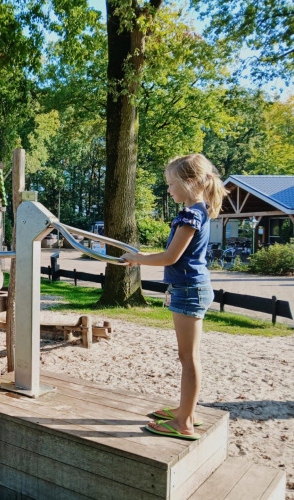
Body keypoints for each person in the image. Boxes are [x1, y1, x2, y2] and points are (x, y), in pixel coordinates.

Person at [121, 154, 227, 440]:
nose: (168, 189)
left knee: (188, 358)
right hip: (190, 288)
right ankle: (185, 410)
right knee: (188, 356)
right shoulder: (198, 210)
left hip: (190, 290)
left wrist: (138, 259)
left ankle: (184, 422)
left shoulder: (191, 214)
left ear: (189, 182)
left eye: (171, 183)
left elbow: (171, 257)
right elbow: (173, 255)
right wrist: (141, 256)